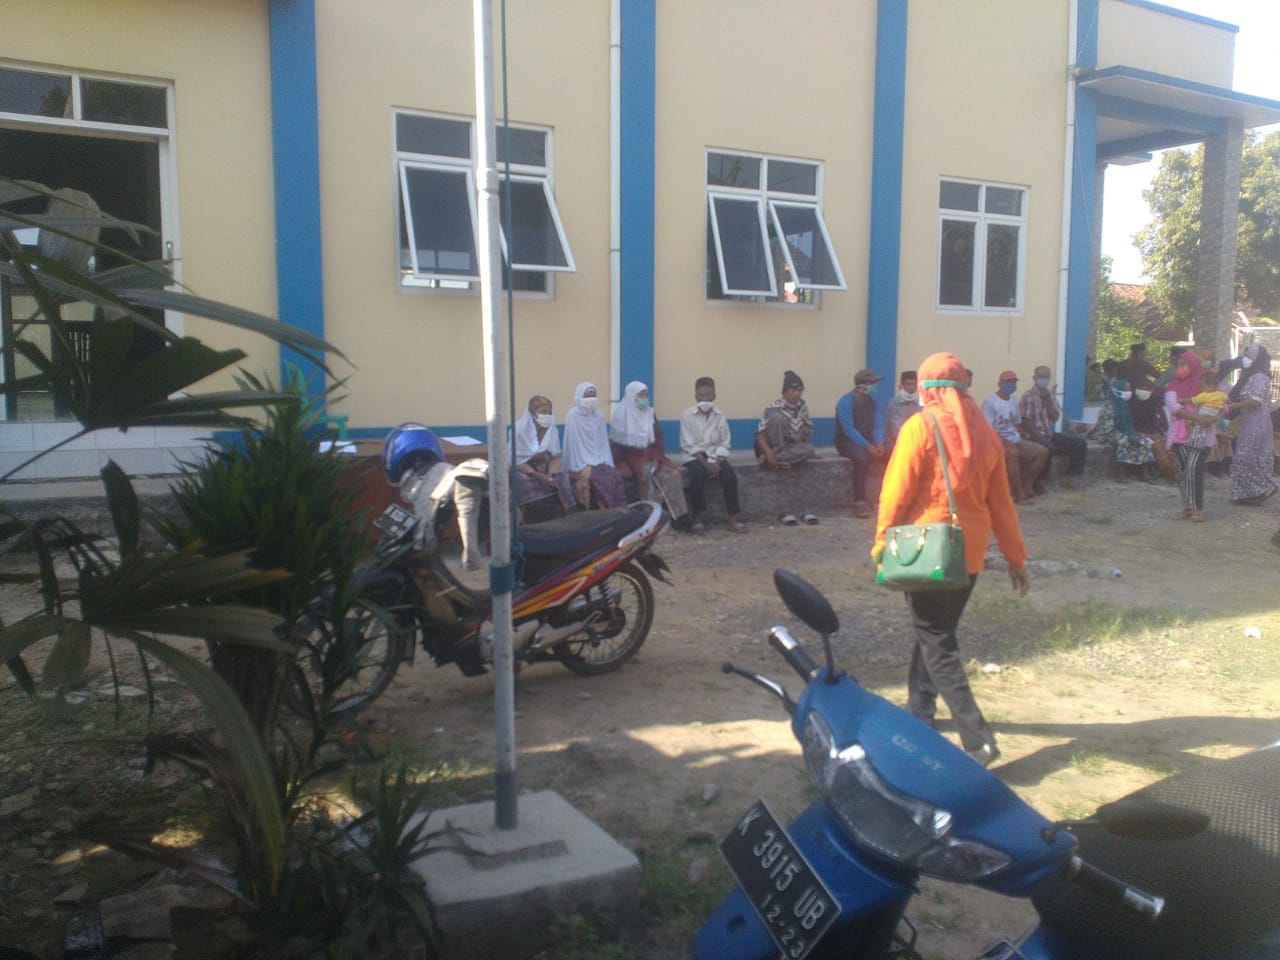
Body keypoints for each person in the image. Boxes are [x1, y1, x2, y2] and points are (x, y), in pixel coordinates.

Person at [873, 352, 1030, 767]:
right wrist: (1015, 558)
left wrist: (880, 544)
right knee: (934, 630)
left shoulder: (920, 426)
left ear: (928, 389)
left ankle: (978, 739)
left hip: (927, 549)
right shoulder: (987, 435)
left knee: (937, 640)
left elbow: (895, 492)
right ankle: (919, 710)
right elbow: (1002, 505)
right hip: (969, 553)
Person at [609, 380, 691, 524]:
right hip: (632, 459)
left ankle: (680, 518)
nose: (644, 399)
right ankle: (651, 519)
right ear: (631, 396)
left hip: (653, 456)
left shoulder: (650, 414)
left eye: (646, 395)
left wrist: (656, 458)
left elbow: (658, 439)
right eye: (641, 395)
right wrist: (622, 466)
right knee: (647, 475)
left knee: (672, 474)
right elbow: (616, 448)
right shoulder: (620, 416)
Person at [678, 377, 746, 534]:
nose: (705, 399)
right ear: (696, 397)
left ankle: (732, 518)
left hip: (715, 455)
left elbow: (725, 442)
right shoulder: (686, 415)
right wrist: (706, 464)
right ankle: (697, 517)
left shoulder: (719, 415)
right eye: (701, 395)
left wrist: (716, 462)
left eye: (708, 395)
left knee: (729, 475)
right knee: (697, 474)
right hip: (694, 456)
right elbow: (688, 444)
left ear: (714, 396)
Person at [755, 370, 820, 525]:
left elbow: (805, 430)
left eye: (800, 390)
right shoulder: (773, 408)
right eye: (793, 390)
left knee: (809, 449)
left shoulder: (802, 407)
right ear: (785, 392)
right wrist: (769, 454)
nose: (797, 393)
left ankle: (782, 460)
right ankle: (776, 458)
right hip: (772, 448)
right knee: (777, 418)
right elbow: (760, 435)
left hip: (792, 448)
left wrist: (808, 451)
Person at [980, 370, 1048, 504]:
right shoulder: (990, 402)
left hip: (1015, 438)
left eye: (1013, 382)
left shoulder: (1014, 401)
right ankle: (1019, 495)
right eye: (1008, 382)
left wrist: (1020, 439)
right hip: (997, 441)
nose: (1011, 385)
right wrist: (1005, 442)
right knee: (1012, 453)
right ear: (1000, 383)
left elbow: (1017, 424)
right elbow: (987, 430)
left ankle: (1027, 486)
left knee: (1042, 452)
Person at [1019, 365, 1087, 491]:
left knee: (1079, 443)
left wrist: (1048, 401)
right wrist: (1042, 440)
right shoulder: (1028, 397)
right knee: (1047, 448)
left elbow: (1055, 417)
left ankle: (1070, 476)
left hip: (1049, 434)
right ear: (1034, 378)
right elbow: (1027, 424)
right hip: (1033, 436)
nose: (1044, 379)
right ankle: (1040, 481)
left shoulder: (1050, 396)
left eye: (1047, 376)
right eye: (1041, 376)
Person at [1225, 342, 1277, 506]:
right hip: (1248, 420)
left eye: (1248, 356)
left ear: (1256, 358)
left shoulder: (1260, 376)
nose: (1245, 359)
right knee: (1244, 456)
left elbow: (1256, 401)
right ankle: (1246, 494)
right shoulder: (1250, 376)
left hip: (1257, 422)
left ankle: (1264, 488)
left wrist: (1233, 406)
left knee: (1249, 457)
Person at [1164, 351, 1213, 521]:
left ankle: (1197, 509)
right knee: (1183, 471)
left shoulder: (1206, 384)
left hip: (1201, 435)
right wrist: (1197, 417)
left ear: (1193, 365)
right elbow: (1174, 407)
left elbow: (1220, 403)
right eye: (1178, 365)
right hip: (1179, 435)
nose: (1180, 368)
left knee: (1193, 468)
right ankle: (1187, 507)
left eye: (1184, 364)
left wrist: (1211, 418)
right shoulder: (1172, 387)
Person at [562, 381, 627, 509]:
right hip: (580, 462)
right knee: (598, 479)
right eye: (587, 396)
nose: (591, 399)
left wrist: (607, 461)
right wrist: (582, 465)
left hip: (599, 459)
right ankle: (604, 511)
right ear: (579, 397)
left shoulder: (599, 415)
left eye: (593, 395)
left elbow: (602, 442)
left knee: (614, 475)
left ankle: (618, 510)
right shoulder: (573, 415)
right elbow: (573, 444)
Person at [834, 368, 887, 519]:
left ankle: (885, 496)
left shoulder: (871, 402)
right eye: (873, 384)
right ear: (862, 386)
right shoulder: (845, 402)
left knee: (892, 452)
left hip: (867, 439)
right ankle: (859, 501)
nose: (876, 387)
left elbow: (878, 424)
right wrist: (867, 446)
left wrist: (879, 442)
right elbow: (849, 429)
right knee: (862, 458)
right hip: (846, 441)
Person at [514, 394, 574, 520]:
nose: (547, 415)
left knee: (561, 477)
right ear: (533, 414)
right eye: (543, 412)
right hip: (524, 468)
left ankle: (567, 515)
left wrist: (551, 474)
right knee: (523, 480)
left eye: (549, 412)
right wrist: (539, 475)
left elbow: (555, 457)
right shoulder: (519, 430)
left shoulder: (552, 431)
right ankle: (530, 517)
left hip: (544, 466)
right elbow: (516, 460)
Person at [1104, 378, 1156, 482]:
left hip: (1126, 431)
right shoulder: (1109, 407)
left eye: (1129, 390)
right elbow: (1108, 428)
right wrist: (1128, 436)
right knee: (1124, 441)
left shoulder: (1125, 405)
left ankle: (1145, 474)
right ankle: (1122, 474)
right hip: (1111, 433)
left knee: (1145, 441)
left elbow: (1128, 425)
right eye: (1126, 390)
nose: (1129, 392)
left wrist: (1133, 435)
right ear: (1118, 390)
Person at [884, 369, 920, 451]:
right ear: (902, 385)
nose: (912, 387)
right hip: (895, 445)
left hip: (915, 443)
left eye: (914, 384)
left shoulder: (919, 404)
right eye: (908, 384)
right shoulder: (894, 404)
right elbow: (895, 431)